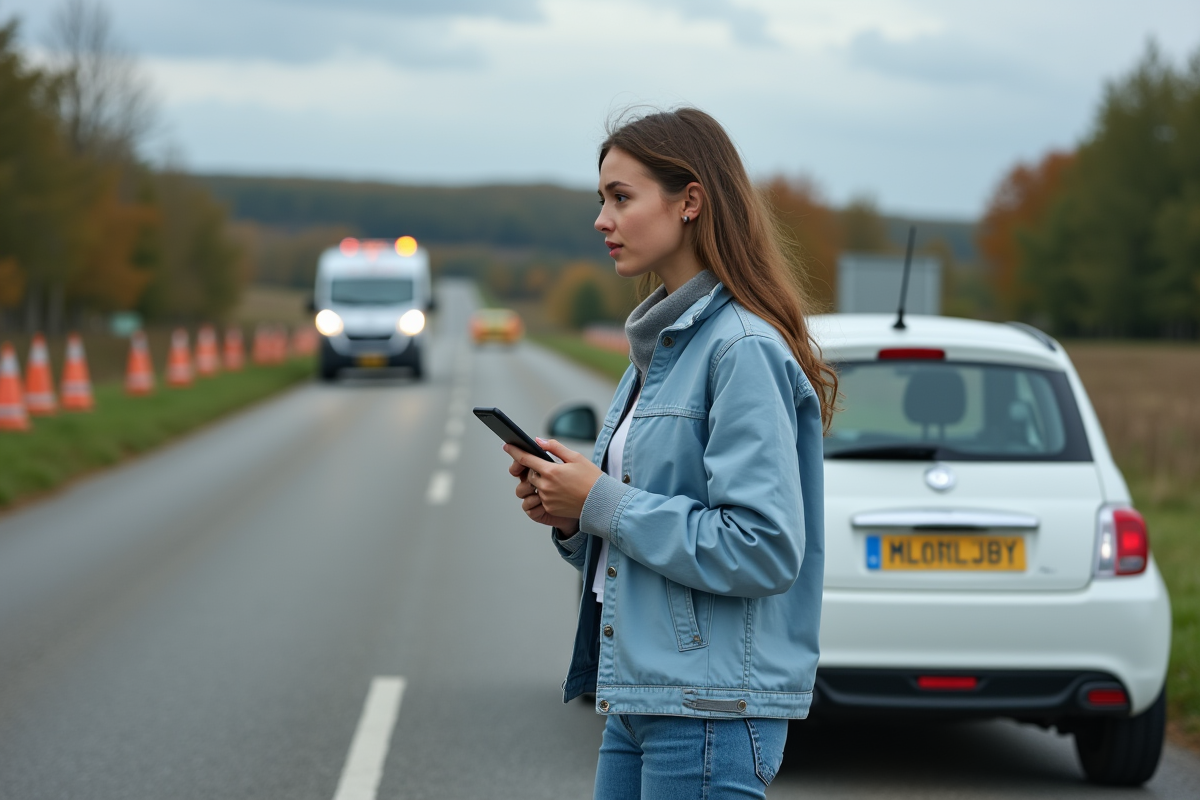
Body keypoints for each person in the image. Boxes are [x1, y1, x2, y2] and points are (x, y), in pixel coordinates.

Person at [504, 107, 837, 799]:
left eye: (621, 197)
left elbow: (764, 545)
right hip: (640, 695)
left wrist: (599, 499)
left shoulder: (740, 349)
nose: (602, 219)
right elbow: (631, 525)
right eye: (602, 199)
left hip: (709, 710)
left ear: (690, 202)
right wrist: (570, 512)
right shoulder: (660, 348)